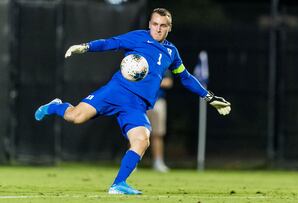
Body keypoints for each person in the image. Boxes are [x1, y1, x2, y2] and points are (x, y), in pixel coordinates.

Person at [34, 8, 231, 195]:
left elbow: (185, 77)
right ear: (150, 24)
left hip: (136, 105)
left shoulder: (172, 53)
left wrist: (209, 97)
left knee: (142, 139)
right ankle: (55, 106)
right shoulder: (138, 37)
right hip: (116, 91)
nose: (158, 28)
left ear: (170, 27)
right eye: (155, 24)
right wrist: (86, 47)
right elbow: (111, 43)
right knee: (75, 117)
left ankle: (118, 184)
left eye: (163, 25)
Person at [147, 70, 172, 173]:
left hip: (158, 102)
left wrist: (152, 81)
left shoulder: (163, 61)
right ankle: (132, 164)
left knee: (157, 134)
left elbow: (169, 82)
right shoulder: (139, 60)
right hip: (140, 101)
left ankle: (158, 162)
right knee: (136, 132)